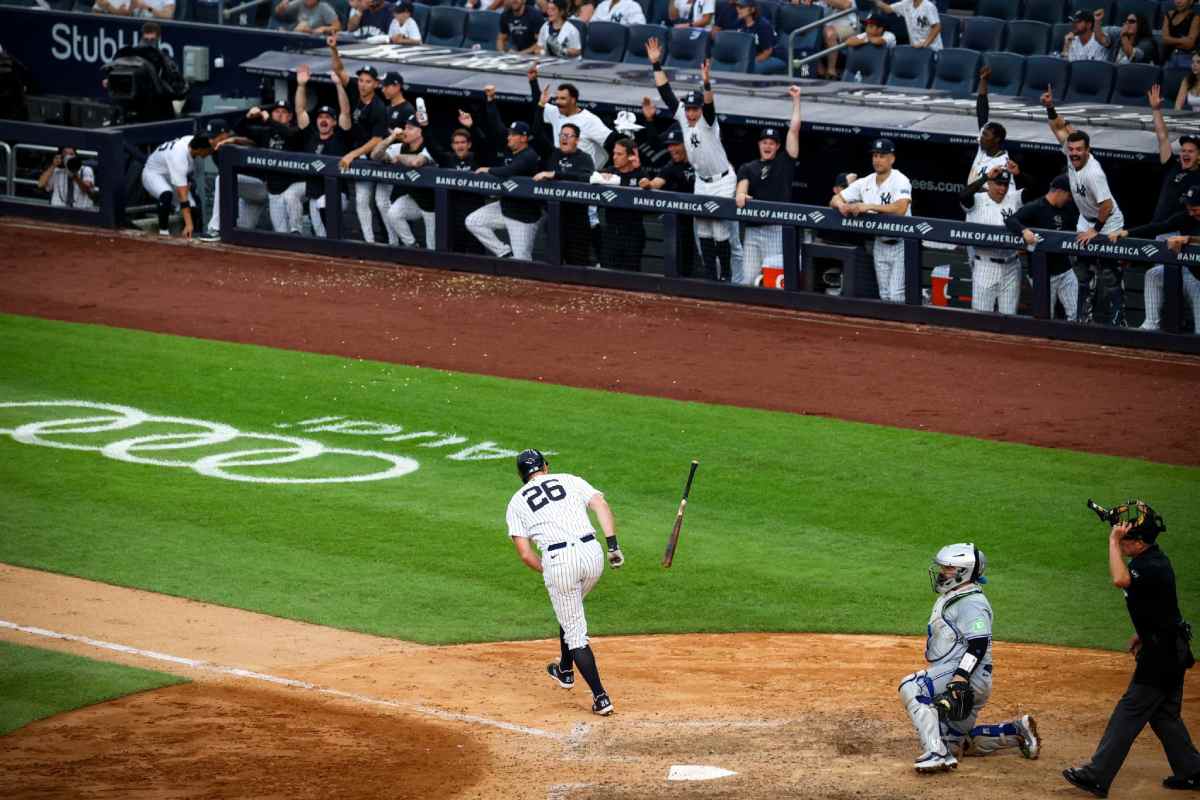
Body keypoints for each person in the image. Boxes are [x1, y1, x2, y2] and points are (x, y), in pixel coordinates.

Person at [1062, 502, 1199, 798]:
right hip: (1168, 647)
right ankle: (1192, 771)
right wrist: (1141, 632)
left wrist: (1112, 541)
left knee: (1129, 711)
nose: (1121, 543)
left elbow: (1119, 579)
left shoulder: (1150, 565)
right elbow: (1160, 604)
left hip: (1162, 656)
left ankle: (1097, 776)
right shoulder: (1150, 560)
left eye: (1125, 540)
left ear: (1138, 543)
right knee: (1164, 715)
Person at [898, 543, 1040, 774]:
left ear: (963, 571)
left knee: (912, 687)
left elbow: (978, 643)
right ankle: (1016, 732)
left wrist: (960, 677)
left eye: (948, 568)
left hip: (967, 675)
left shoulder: (972, 603)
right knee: (951, 743)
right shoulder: (959, 593)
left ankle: (936, 753)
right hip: (968, 676)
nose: (942, 572)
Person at [506, 449, 622, 717]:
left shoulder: (516, 502)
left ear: (521, 475)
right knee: (569, 608)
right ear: (545, 467)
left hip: (559, 560)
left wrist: (551, 572)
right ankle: (565, 670)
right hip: (592, 555)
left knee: (575, 631)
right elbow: (600, 504)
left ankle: (601, 697)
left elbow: (525, 553)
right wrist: (613, 546)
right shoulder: (570, 479)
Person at [646, 38, 736, 281]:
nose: (691, 113)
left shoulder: (707, 121)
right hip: (702, 180)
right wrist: (656, 64)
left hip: (722, 180)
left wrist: (706, 83)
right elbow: (666, 95)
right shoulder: (685, 120)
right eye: (689, 109)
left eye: (694, 109)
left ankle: (725, 277)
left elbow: (709, 104)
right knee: (704, 230)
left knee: (718, 229)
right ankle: (709, 276)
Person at [1042, 89, 1127, 326]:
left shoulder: (1093, 173)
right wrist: (1049, 107)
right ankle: (1084, 318)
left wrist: (1095, 230)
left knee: (1109, 273)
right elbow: (1058, 129)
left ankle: (1119, 320)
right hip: (1086, 218)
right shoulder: (1070, 155)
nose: (1075, 153)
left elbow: (1107, 205)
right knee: (1082, 269)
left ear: (1087, 150)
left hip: (1108, 220)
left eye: (1079, 150)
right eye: (1072, 149)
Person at [831, 137, 913, 303]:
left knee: (896, 296)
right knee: (884, 295)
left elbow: (901, 208)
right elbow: (834, 199)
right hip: (879, 243)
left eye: (882, 156)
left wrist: (867, 206)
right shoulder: (865, 182)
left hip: (901, 244)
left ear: (892, 158)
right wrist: (842, 206)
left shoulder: (900, 179)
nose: (877, 159)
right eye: (875, 155)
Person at [735, 86, 802, 286]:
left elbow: (794, 129)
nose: (767, 145)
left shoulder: (785, 161)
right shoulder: (748, 167)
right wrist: (741, 195)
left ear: (778, 146)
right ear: (759, 145)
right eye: (764, 142)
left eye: (772, 143)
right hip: (754, 230)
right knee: (747, 280)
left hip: (776, 229)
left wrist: (796, 100)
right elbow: (741, 189)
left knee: (773, 281)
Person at [1107, 186, 1200, 332]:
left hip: (1199, 282)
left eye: (1194, 209)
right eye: (1189, 208)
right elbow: (1157, 227)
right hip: (1189, 271)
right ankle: (1151, 324)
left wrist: (1189, 239)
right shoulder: (1185, 217)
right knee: (1153, 275)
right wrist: (1126, 232)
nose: (1190, 212)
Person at [328, 36, 389, 243]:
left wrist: (352, 154)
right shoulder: (355, 90)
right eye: (361, 80)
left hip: (377, 157)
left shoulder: (379, 107)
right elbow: (339, 71)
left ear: (376, 84)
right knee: (362, 200)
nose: (363, 85)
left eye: (368, 81)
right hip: (358, 154)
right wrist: (334, 49)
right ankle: (369, 242)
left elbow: (376, 140)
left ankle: (393, 242)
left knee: (382, 202)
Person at [1005, 174, 1081, 321]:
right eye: (1068, 195)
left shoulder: (1067, 208)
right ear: (1060, 192)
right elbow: (1010, 220)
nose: (1069, 199)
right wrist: (1024, 230)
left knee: (1076, 313)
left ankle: (1073, 343)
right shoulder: (1036, 207)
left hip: (1065, 270)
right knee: (1046, 317)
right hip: (1042, 274)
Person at [468, 112, 542, 260]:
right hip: (505, 207)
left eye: (513, 135)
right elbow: (496, 127)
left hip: (523, 216)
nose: (509, 137)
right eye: (509, 134)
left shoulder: (529, 155)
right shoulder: (510, 150)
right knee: (473, 221)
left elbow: (509, 171)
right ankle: (504, 253)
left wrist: (488, 169)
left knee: (522, 262)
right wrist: (489, 103)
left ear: (523, 138)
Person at [959, 166, 1029, 315]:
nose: (1002, 189)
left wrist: (1020, 173)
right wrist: (985, 176)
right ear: (989, 184)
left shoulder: (1014, 199)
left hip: (1011, 265)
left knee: (1009, 317)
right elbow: (963, 195)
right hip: (985, 265)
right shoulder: (977, 200)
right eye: (998, 184)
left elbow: (1037, 190)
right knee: (981, 317)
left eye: (1005, 184)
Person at [295, 64, 353, 238]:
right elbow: (300, 111)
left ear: (334, 122)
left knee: (323, 206)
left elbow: (345, 111)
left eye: (328, 117)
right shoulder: (311, 135)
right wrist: (301, 86)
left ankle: (340, 242)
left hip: (337, 193)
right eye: (320, 117)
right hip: (314, 191)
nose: (323, 120)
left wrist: (338, 85)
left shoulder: (340, 136)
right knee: (320, 233)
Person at [231, 101, 306, 235]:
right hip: (273, 190)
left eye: (284, 112)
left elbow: (288, 134)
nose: (280, 115)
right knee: (281, 233)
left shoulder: (296, 131)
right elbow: (238, 129)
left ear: (290, 116)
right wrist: (247, 116)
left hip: (294, 185)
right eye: (277, 112)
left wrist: (269, 120)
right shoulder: (265, 133)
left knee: (296, 230)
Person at [532, 122, 595, 266]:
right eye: (561, 135)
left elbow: (585, 178)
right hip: (554, 219)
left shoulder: (584, 158)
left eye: (568, 135)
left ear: (577, 140)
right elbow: (536, 132)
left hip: (577, 221)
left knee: (577, 264)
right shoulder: (551, 154)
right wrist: (541, 105)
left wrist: (555, 174)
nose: (563, 138)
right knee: (553, 263)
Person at [370, 119, 437, 249]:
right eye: (405, 128)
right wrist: (392, 137)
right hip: (415, 199)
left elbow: (416, 162)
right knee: (393, 214)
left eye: (410, 128)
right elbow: (375, 155)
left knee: (432, 247)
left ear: (420, 132)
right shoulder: (400, 147)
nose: (405, 131)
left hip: (434, 205)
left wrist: (400, 158)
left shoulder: (429, 147)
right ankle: (412, 245)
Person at [142, 133, 214, 240]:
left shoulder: (192, 142)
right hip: (153, 174)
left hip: (171, 175)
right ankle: (163, 233)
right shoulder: (179, 156)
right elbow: (182, 196)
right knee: (166, 194)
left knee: (193, 208)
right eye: (209, 149)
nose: (211, 151)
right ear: (200, 149)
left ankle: (189, 237)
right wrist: (189, 224)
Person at [593, 138, 647, 270]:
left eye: (619, 154)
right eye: (614, 153)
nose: (615, 157)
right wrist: (599, 176)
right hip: (611, 233)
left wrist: (638, 169)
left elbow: (649, 187)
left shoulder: (640, 173)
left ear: (630, 156)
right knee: (607, 273)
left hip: (633, 234)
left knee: (631, 275)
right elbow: (590, 176)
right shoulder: (609, 172)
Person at [812, 0, 861, 80]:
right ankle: (819, 69)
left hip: (849, 25)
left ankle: (831, 71)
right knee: (809, 33)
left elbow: (846, 5)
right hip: (823, 25)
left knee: (830, 34)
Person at [37, 147, 98, 211]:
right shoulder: (56, 171)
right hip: (58, 210)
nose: (68, 157)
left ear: (75, 156)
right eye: (65, 154)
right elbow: (40, 185)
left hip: (81, 210)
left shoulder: (86, 169)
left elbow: (87, 190)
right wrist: (53, 165)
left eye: (71, 154)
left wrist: (74, 174)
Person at [733, 0, 785, 74]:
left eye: (742, 7)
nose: (738, 9)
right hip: (753, 55)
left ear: (752, 9)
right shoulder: (739, 22)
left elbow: (767, 52)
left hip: (773, 56)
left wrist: (748, 63)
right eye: (737, 6)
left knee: (748, 68)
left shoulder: (763, 26)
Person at [871, 0, 941, 50]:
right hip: (915, 48)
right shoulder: (906, 3)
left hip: (932, 49)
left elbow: (937, 27)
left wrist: (925, 43)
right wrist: (877, 1)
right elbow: (889, 9)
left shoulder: (929, 6)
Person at [1163, 0, 1200, 69]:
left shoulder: (1196, 18)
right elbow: (1165, 39)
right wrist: (1182, 40)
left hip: (1186, 57)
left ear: (1191, 1)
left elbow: (1189, 44)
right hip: (1168, 56)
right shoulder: (1169, 14)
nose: (1178, 1)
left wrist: (1171, 40)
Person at [273, 0, 342, 34]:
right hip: (297, 35)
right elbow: (278, 13)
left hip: (315, 39)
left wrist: (324, 28)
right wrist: (280, 7)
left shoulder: (324, 8)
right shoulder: (300, 2)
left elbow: (338, 27)